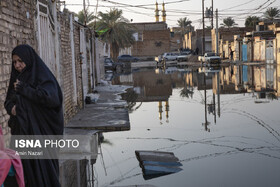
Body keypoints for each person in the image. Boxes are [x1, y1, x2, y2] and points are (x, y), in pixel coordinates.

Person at [4, 44, 64, 187]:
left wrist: (25, 90)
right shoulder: (16, 79)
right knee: (24, 174)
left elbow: (51, 99)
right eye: (14, 62)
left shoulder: (43, 77)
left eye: (20, 61)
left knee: (44, 173)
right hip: (22, 133)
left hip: (41, 135)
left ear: (29, 60)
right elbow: (8, 101)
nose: (17, 65)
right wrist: (12, 108)